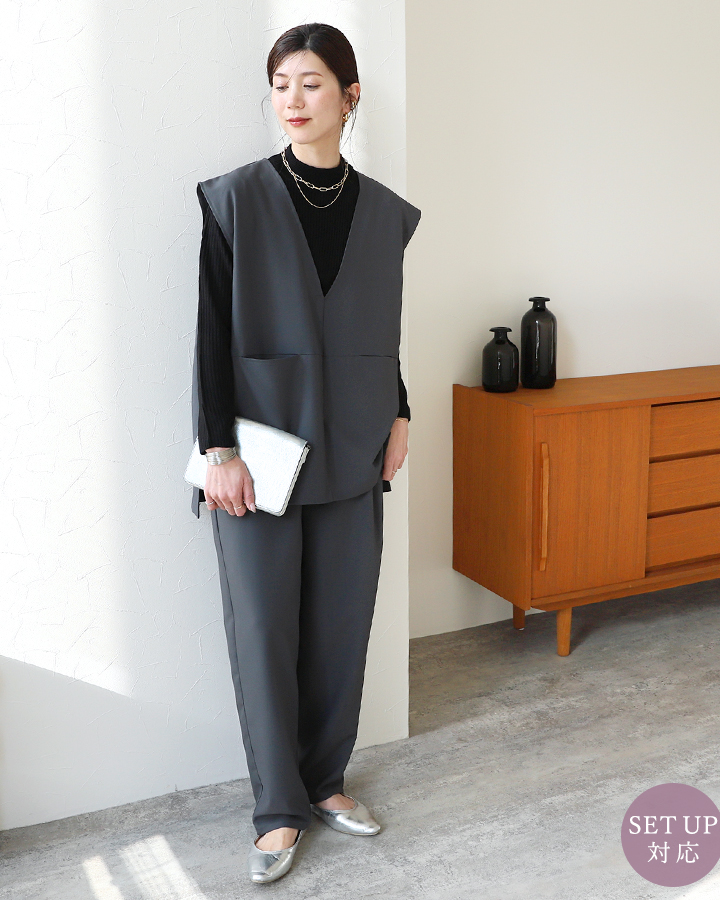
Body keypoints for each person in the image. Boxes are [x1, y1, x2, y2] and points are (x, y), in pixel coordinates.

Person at [190, 22, 421, 883]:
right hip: (256, 455)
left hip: (356, 444)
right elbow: (210, 331)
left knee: (340, 627)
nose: (292, 99)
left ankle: (326, 783)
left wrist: (400, 413)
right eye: (281, 83)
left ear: (350, 96)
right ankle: (277, 809)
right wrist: (217, 447)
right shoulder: (236, 199)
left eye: (312, 82)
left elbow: (382, 328)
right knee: (262, 631)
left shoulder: (385, 214)